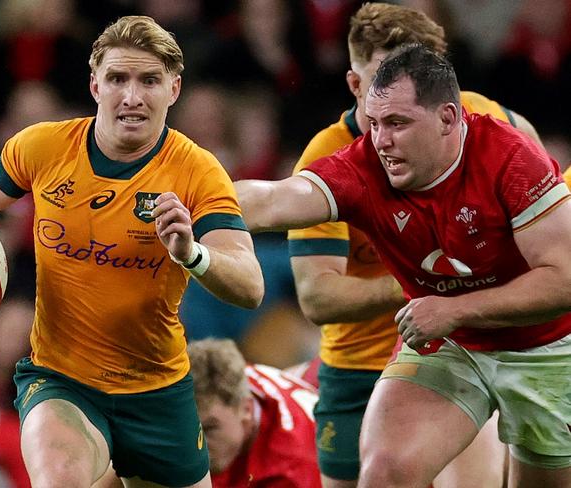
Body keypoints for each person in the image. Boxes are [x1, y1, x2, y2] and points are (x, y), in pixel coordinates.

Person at [0, 15, 264, 488]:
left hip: (157, 390)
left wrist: (192, 254)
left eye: (149, 81)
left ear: (175, 89)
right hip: (60, 379)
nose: (132, 96)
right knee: (60, 478)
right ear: (94, 85)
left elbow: (250, 286)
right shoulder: (42, 147)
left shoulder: (198, 173)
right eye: (118, 79)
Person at [236, 44, 571, 488]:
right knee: (385, 473)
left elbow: (564, 282)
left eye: (398, 123)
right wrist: (195, 201)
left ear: (449, 119)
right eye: (374, 123)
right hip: (449, 345)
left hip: (545, 347)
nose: (381, 140)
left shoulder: (512, 157)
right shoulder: (364, 165)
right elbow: (276, 199)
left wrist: (453, 309)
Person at [287, 3, 538, 487]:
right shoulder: (326, 157)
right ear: (355, 84)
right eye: (382, 79)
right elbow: (318, 297)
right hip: (358, 366)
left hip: (465, 350)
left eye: (418, 79)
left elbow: (544, 217)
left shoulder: (489, 120)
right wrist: (431, 286)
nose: (398, 94)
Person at [186, 338, 320, 487]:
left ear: (246, 410)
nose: (197, 445)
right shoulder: (225, 375)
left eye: (209, 428)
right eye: (187, 430)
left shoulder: (291, 471)